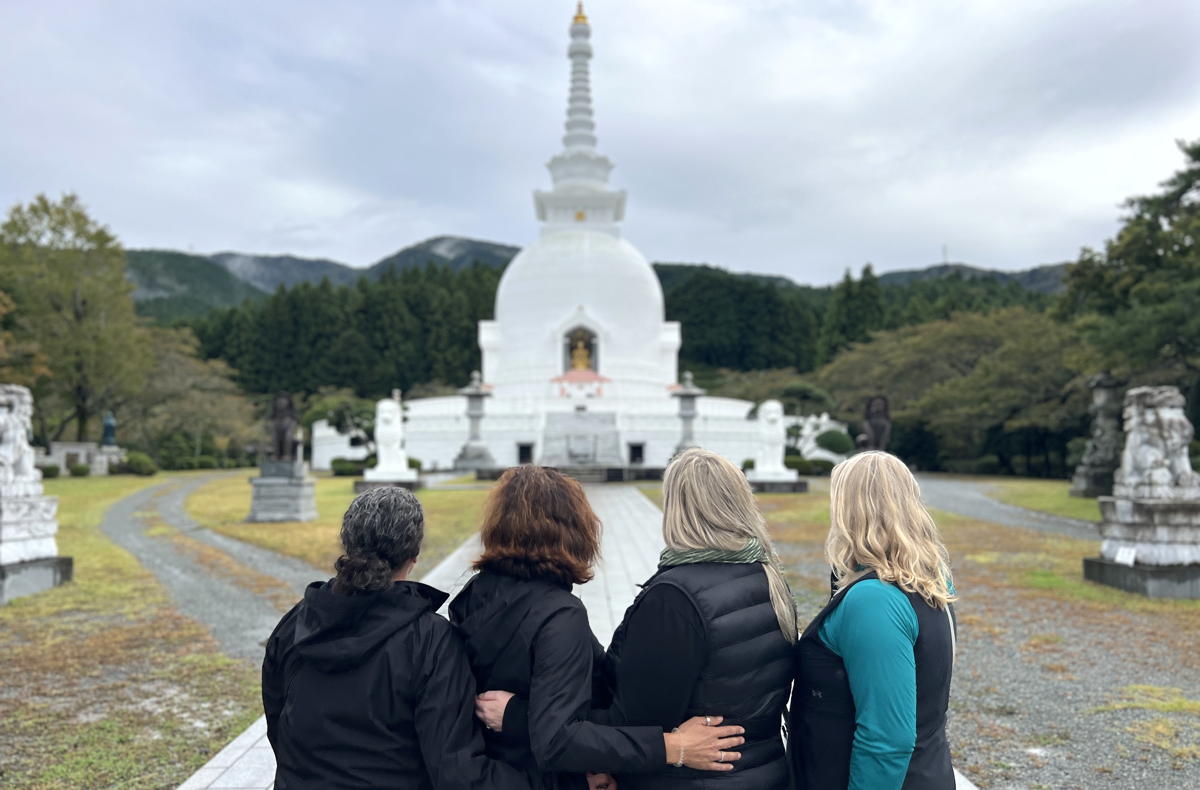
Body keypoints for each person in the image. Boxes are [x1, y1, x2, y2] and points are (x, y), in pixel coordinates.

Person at [476, 449, 797, 789]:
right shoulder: (768, 577)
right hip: (764, 772)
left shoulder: (675, 598)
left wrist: (518, 718)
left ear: (677, 509)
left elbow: (631, 721)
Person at [262, 486, 532, 790]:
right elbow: (455, 769)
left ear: (348, 544)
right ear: (414, 556)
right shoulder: (431, 642)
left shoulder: (296, 622)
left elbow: (278, 725)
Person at [789, 451, 958, 790]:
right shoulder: (932, 577)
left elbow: (887, 740)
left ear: (850, 511)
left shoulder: (874, 600)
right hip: (929, 770)